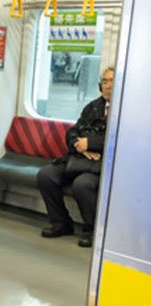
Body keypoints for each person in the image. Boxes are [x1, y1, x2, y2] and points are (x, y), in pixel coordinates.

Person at [37, 67, 114, 248]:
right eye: (105, 81)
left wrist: (91, 143)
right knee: (46, 175)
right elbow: (73, 131)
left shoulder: (128, 111)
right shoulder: (93, 107)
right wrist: (79, 145)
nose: (108, 86)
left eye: (113, 81)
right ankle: (61, 223)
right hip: (78, 158)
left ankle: (92, 230)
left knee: (82, 184)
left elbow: (121, 139)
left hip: (100, 164)